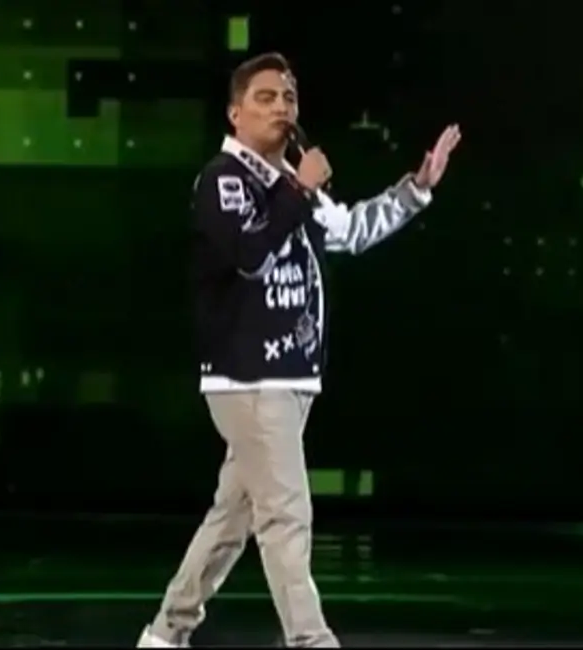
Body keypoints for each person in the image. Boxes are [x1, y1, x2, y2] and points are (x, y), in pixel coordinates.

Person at [136, 52, 461, 649]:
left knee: (232, 517)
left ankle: (165, 634)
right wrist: (298, 189)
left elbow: (353, 230)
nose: (281, 108)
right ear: (235, 114)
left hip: (289, 378)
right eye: (265, 97)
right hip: (248, 378)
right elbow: (249, 255)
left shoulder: (291, 183)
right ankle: (311, 640)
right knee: (287, 515)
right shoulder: (224, 180)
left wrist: (416, 189)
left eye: (288, 97)